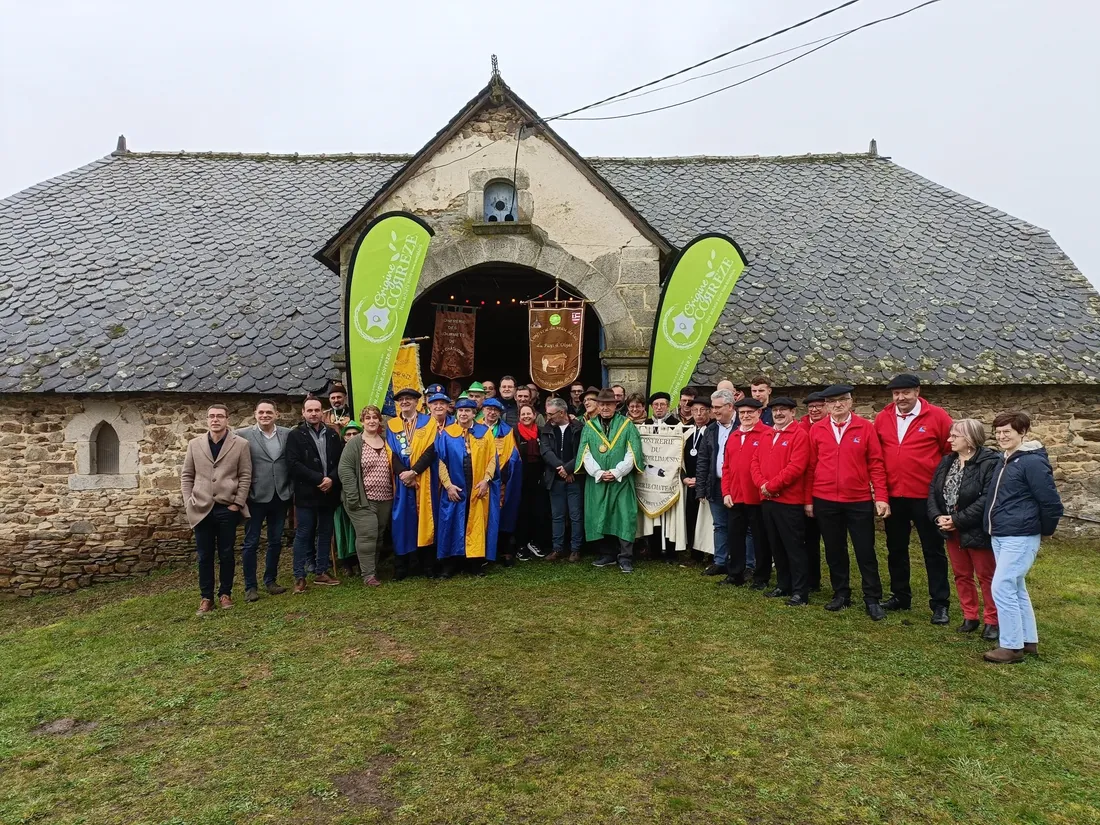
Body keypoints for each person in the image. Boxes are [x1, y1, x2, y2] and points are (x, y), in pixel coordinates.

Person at [981, 411, 1064, 663]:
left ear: (1022, 432)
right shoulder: (1005, 459)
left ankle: (1010, 646)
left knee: (1002, 585)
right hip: (1001, 533)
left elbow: (1051, 502)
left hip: (1020, 533)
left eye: (1007, 431)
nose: (1002, 436)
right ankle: (1028, 640)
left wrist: (1046, 529)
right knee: (1016, 586)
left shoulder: (1032, 462)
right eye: (998, 432)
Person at [872, 373, 954, 624]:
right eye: (896, 393)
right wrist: (882, 495)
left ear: (917, 391)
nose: (900, 398)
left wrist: (939, 488)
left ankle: (940, 603)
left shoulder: (937, 416)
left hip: (926, 497)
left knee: (933, 550)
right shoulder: (883, 418)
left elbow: (949, 451)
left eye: (905, 392)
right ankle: (900, 595)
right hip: (895, 496)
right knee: (896, 549)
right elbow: (877, 458)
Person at [805, 385, 889, 620]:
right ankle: (841, 593)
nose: (837, 405)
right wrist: (808, 500)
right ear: (826, 405)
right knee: (834, 549)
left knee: (865, 550)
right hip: (825, 499)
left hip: (858, 499)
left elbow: (876, 463)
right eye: (832, 402)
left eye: (842, 400)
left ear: (851, 402)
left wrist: (880, 496)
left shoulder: (865, 427)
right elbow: (811, 467)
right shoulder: (817, 429)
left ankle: (872, 598)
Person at [927, 418, 1001, 640]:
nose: (949, 439)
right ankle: (970, 616)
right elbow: (933, 491)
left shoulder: (990, 462)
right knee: (961, 574)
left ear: (969, 439)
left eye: (954, 436)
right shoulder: (947, 461)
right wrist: (938, 516)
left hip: (976, 528)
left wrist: (957, 519)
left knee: (986, 576)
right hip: (951, 529)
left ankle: (992, 620)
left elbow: (987, 498)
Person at [182, 404, 252, 615]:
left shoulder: (240, 444)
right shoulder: (195, 444)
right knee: (204, 556)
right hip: (201, 507)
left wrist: (237, 503)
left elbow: (245, 475)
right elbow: (187, 476)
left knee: (227, 553)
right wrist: (188, 502)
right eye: (211, 416)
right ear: (207, 420)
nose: (215, 420)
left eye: (219, 416)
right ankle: (206, 598)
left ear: (227, 419)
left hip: (226, 508)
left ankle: (225, 593)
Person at [751, 397, 811, 605]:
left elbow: (796, 467)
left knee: (793, 547)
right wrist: (762, 485)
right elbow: (755, 462)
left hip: (788, 500)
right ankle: (783, 585)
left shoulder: (800, 435)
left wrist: (771, 486)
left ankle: (800, 591)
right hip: (767, 499)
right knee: (776, 545)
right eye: (775, 410)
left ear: (793, 412)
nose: (778, 413)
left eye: (783, 410)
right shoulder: (767, 434)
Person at [576, 388, 643, 573]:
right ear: (597, 405)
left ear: (616, 405)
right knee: (600, 514)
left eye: (609, 404)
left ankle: (625, 557)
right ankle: (607, 554)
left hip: (621, 480)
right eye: (602, 404)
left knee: (624, 516)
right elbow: (585, 453)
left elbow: (633, 453)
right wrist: (598, 472)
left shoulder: (627, 425)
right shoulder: (589, 427)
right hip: (597, 480)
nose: (605, 407)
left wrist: (616, 471)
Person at [435, 397, 500, 576]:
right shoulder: (447, 434)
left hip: (477, 487)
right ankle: (451, 563)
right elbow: (440, 462)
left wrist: (486, 480)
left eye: (468, 411)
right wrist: (448, 486)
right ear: (456, 413)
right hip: (455, 487)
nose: (464, 414)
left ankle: (474, 563)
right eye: (460, 411)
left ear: (474, 413)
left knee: (476, 524)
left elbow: (492, 459)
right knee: (453, 522)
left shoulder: (484, 432)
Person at [286, 396, 344, 593]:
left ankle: (321, 571)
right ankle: (299, 576)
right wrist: (319, 478)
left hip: (329, 491)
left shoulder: (332, 435)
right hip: (307, 492)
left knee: (325, 532)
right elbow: (293, 464)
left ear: (322, 412)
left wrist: (331, 479)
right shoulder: (295, 435)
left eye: (317, 410)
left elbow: (340, 461)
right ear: (303, 412)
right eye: (309, 410)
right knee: (304, 533)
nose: (313, 413)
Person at [236, 399, 292, 600]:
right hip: (255, 496)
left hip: (281, 495)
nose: (265, 415)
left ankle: (271, 580)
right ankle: (250, 587)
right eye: (261, 412)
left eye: (269, 412)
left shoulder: (287, 434)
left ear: (276, 414)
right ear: (255, 414)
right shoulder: (242, 435)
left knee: (275, 541)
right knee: (251, 542)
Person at [719, 397, 773, 589]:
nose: (746, 416)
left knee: (760, 539)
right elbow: (726, 467)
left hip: (757, 497)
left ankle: (761, 577)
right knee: (735, 537)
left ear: (759, 413)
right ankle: (735, 574)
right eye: (742, 413)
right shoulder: (733, 436)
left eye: (750, 412)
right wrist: (726, 491)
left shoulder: (768, 434)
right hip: (735, 496)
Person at [337, 408, 394, 588]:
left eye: (374, 417)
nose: (371, 421)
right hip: (362, 499)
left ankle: (373, 569)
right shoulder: (355, 443)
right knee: (368, 534)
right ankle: (368, 575)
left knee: (378, 535)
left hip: (385, 498)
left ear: (379, 421)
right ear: (362, 421)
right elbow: (345, 470)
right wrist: (353, 497)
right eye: (367, 418)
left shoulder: (386, 442)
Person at [386, 388, 431, 579]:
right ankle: (401, 567)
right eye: (402, 399)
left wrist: (414, 472)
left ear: (416, 402)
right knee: (401, 520)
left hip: (423, 477)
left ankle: (426, 565)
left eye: (409, 399)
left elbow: (432, 449)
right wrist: (404, 474)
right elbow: (391, 452)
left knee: (424, 520)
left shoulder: (428, 422)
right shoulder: (392, 424)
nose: (405, 402)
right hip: (401, 480)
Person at [695, 389, 735, 576]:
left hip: (737, 485)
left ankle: (747, 563)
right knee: (719, 525)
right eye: (713, 407)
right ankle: (720, 561)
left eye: (718, 407)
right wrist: (701, 488)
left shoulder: (743, 425)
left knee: (745, 527)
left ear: (730, 406)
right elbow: (703, 459)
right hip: (715, 484)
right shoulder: (711, 429)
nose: (714, 411)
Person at [541, 397, 585, 562]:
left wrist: (569, 469)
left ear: (562, 412)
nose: (549, 417)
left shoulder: (579, 428)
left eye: (551, 414)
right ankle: (557, 548)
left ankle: (575, 549)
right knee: (557, 515)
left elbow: (582, 450)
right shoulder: (546, 429)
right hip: (555, 479)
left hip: (574, 479)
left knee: (575, 515)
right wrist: (562, 469)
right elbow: (545, 451)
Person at [482, 398, 522, 566]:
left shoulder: (506, 431)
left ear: (500, 413)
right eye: (489, 409)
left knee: (502, 514)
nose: (492, 413)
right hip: (478, 480)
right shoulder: (474, 428)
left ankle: (504, 551)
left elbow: (513, 456)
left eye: (496, 410)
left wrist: (502, 477)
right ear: (483, 410)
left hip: (499, 481)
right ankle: (480, 553)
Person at [514, 403, 551, 558]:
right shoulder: (514, 432)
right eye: (523, 414)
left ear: (535, 415)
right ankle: (521, 545)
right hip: (520, 477)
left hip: (539, 477)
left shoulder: (542, 432)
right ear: (519, 417)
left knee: (539, 511)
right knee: (522, 512)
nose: (526, 416)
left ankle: (536, 542)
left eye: (528, 413)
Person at [800, 391, 828, 590]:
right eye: (811, 407)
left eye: (819, 406)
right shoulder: (801, 427)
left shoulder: (829, 427)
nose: (815, 409)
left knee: (832, 539)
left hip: (825, 490)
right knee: (808, 538)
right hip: (802, 489)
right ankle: (811, 579)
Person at [680, 395, 710, 561]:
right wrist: (684, 477)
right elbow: (679, 458)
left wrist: (700, 480)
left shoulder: (712, 431)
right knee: (691, 517)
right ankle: (694, 552)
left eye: (702, 410)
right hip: (688, 481)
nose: (698, 414)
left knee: (706, 519)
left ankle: (710, 553)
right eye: (694, 410)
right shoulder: (687, 432)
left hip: (704, 482)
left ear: (709, 412)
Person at [333, 420, 364, 580]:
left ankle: (360, 562)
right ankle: (346, 563)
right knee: (343, 532)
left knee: (359, 532)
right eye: (348, 434)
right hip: (342, 498)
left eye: (355, 433)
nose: (351, 436)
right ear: (344, 437)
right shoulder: (338, 452)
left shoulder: (365, 450)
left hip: (363, 498)